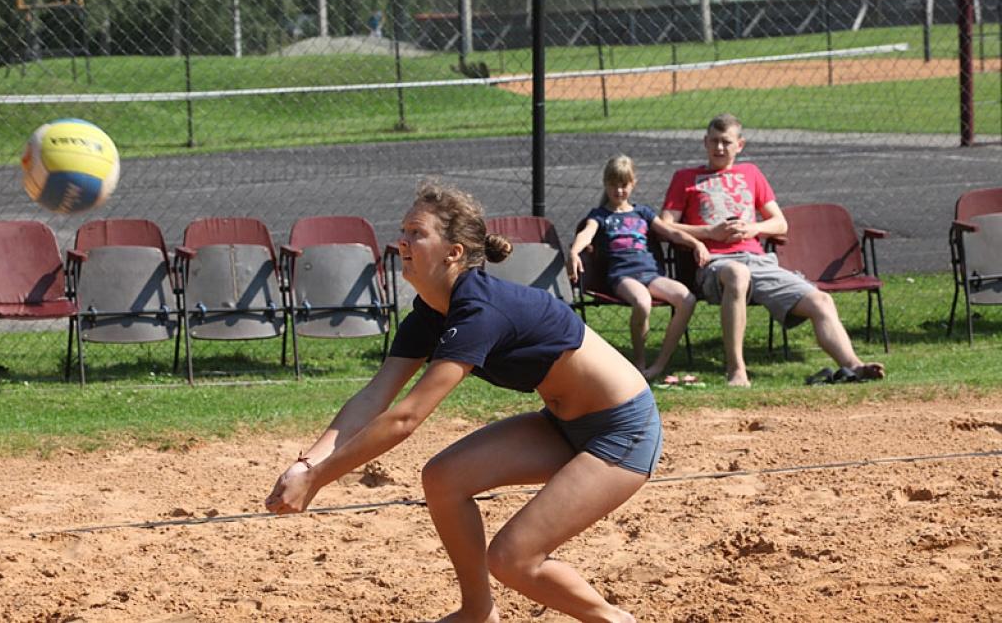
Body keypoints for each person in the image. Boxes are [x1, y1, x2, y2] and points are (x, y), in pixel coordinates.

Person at [266, 180, 660, 623]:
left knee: (514, 558)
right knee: (443, 478)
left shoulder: (479, 310)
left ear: (453, 252)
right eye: (403, 230)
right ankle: (478, 613)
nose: (402, 241)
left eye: (417, 232)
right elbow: (375, 396)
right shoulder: (430, 313)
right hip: (563, 424)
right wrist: (307, 464)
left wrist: (319, 480)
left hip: (623, 430)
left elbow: (405, 418)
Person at [660, 112, 886, 387]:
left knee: (821, 301)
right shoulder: (686, 178)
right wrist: (710, 233)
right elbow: (665, 225)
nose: (720, 148)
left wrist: (753, 229)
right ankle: (737, 370)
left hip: (759, 260)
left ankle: (854, 366)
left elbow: (780, 224)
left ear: (739, 145)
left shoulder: (751, 174)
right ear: (705, 142)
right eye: (714, 142)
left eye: (727, 142)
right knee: (737, 273)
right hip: (716, 264)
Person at [568, 154, 708, 381]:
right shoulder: (600, 215)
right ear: (606, 184)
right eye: (613, 185)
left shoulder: (642, 213)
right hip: (623, 277)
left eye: (623, 185)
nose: (619, 191)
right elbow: (586, 233)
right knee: (642, 302)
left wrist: (696, 243)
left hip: (651, 274)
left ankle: (660, 363)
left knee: (687, 299)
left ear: (633, 183)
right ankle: (640, 362)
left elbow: (669, 231)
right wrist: (574, 251)